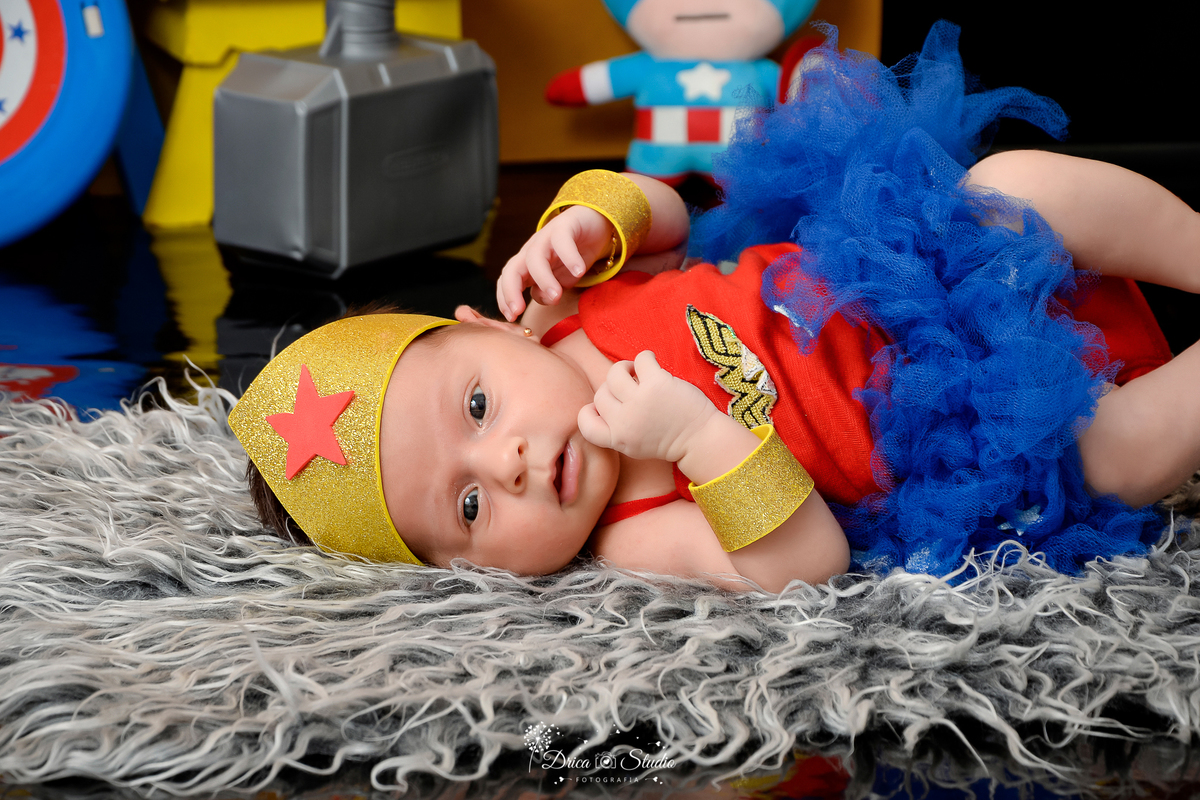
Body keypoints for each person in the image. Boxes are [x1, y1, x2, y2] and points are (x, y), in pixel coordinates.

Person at [230, 24, 1198, 591]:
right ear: (475, 572)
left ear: (489, 324)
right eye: (471, 504)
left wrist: (588, 219)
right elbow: (808, 560)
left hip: (914, 271)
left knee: (1009, 185)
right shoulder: (634, 529)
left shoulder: (564, 307)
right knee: (1112, 452)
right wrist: (696, 434)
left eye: (478, 408)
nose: (511, 461)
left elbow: (669, 220)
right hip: (958, 435)